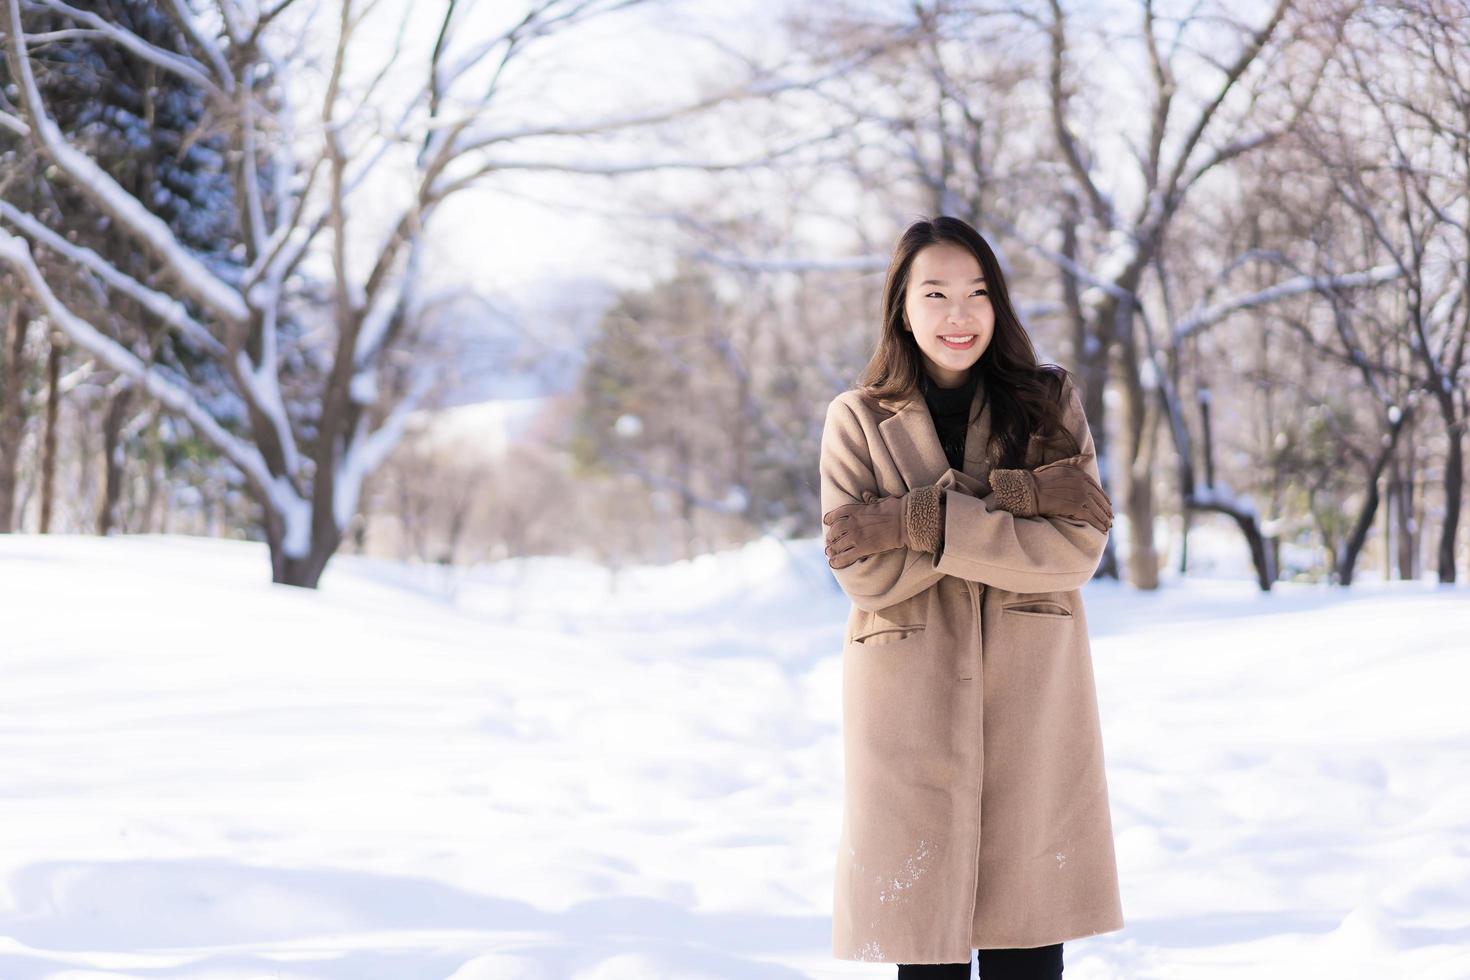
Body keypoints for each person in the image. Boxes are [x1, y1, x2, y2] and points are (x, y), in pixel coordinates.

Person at [819, 216, 1124, 978]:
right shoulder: (856, 419)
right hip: (907, 703)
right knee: (926, 949)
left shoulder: (1047, 402)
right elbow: (864, 574)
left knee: (1028, 943)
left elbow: (1072, 549)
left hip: (1032, 703)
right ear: (902, 306)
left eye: (978, 292)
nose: (961, 314)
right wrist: (1011, 505)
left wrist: (917, 518)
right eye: (937, 294)